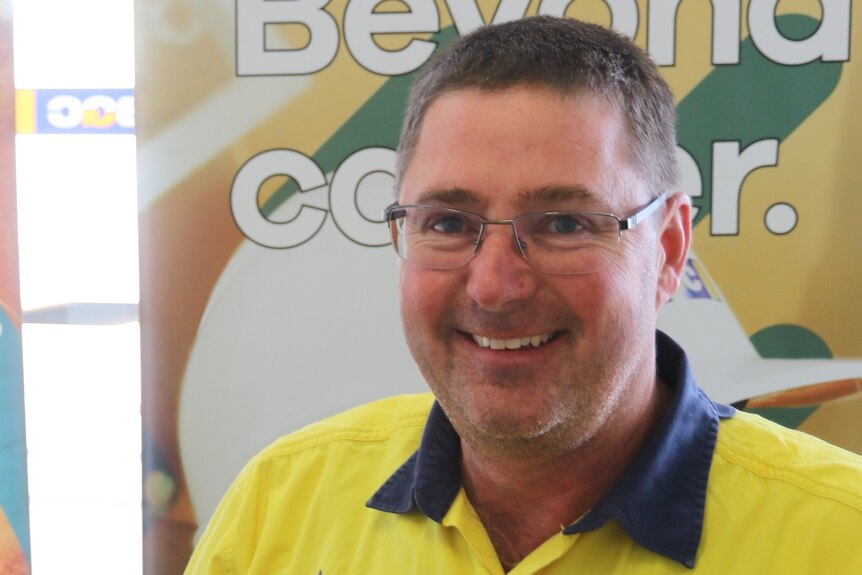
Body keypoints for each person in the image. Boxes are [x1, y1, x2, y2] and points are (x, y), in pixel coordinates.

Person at [185, 16, 862, 574]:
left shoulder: (840, 536)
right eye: (448, 223)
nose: (495, 285)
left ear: (670, 249)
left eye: (566, 223)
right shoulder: (278, 508)